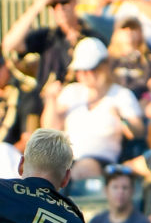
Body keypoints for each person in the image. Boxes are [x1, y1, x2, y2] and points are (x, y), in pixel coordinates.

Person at [41, 37, 144, 181]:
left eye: (91, 70)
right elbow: (50, 128)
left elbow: (137, 132)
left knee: (83, 168)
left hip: (101, 162)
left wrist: (121, 120)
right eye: (80, 71)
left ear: (105, 66)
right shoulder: (71, 92)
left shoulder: (121, 95)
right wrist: (51, 100)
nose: (84, 75)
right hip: (65, 160)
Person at [2, 0, 102, 125]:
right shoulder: (48, 37)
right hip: (47, 109)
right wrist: (38, 5)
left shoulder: (91, 37)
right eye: (53, 4)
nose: (59, 8)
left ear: (75, 2)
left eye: (64, 2)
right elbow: (10, 45)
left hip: (81, 109)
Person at [108, 16, 151, 117]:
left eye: (133, 28)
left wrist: (147, 98)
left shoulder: (149, 60)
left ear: (140, 33)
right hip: (115, 103)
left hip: (141, 102)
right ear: (116, 34)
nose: (129, 31)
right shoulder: (109, 60)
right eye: (124, 28)